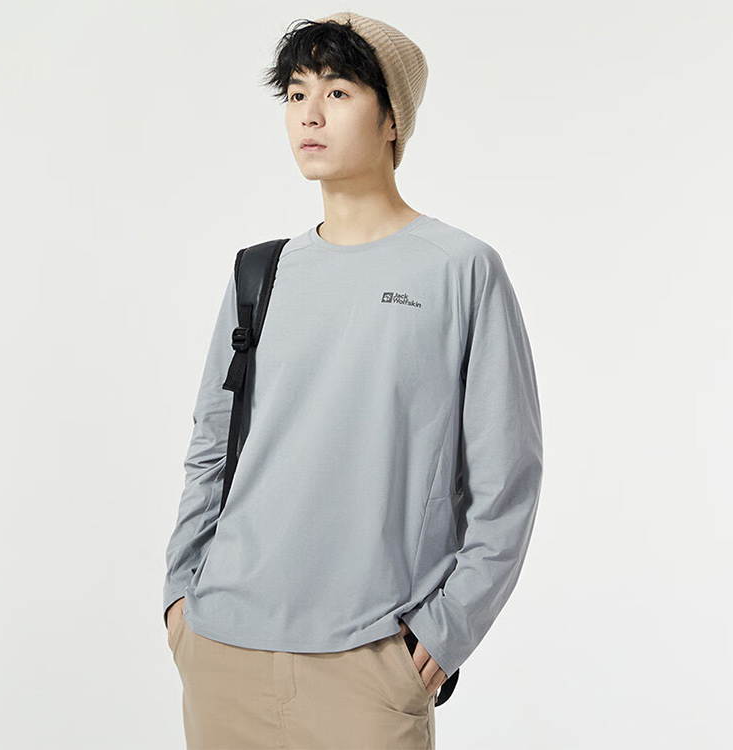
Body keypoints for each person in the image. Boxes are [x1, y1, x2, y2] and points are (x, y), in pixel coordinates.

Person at [162, 11, 543, 749]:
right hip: (221, 652)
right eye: (296, 92)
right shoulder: (261, 272)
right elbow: (212, 443)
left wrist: (446, 630)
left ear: (392, 118)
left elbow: (508, 479)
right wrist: (181, 596)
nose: (309, 113)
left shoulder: (460, 269)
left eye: (337, 92)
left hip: (369, 664)